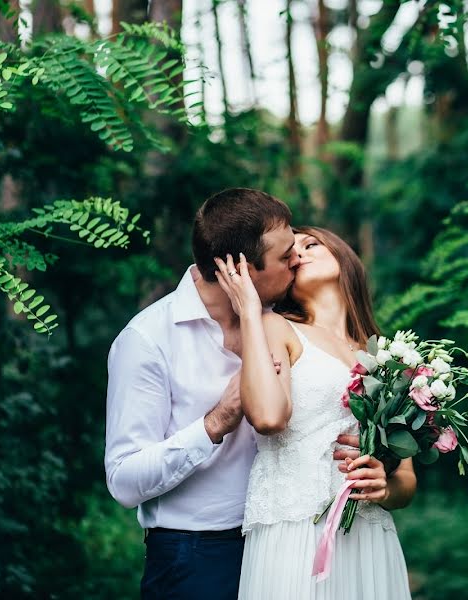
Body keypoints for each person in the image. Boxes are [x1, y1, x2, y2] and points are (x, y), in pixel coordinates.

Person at [103, 188, 300, 600]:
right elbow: (123, 480)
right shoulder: (147, 339)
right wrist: (215, 423)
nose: (297, 261)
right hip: (194, 556)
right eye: (285, 257)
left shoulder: (284, 326)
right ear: (241, 270)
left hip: (285, 544)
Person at [213, 226, 416, 600]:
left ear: (343, 257)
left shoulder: (387, 358)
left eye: (310, 244)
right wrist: (250, 312)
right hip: (295, 529)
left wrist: (384, 487)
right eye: (290, 252)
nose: (298, 254)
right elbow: (266, 417)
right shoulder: (278, 328)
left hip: (370, 535)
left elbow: (405, 480)